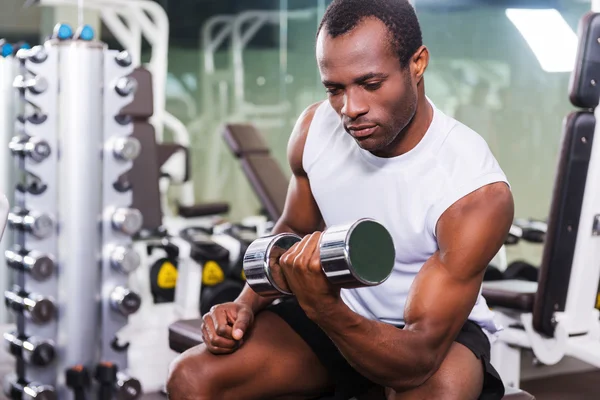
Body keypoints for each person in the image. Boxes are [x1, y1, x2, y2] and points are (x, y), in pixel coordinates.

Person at [166, 0, 514, 399]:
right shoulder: (315, 129)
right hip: (336, 306)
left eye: (370, 84)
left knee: (442, 389)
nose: (350, 109)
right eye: (335, 88)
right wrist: (245, 302)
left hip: (427, 336)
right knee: (190, 379)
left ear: (417, 64)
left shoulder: (473, 190)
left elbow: (417, 359)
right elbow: (294, 229)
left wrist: (324, 308)